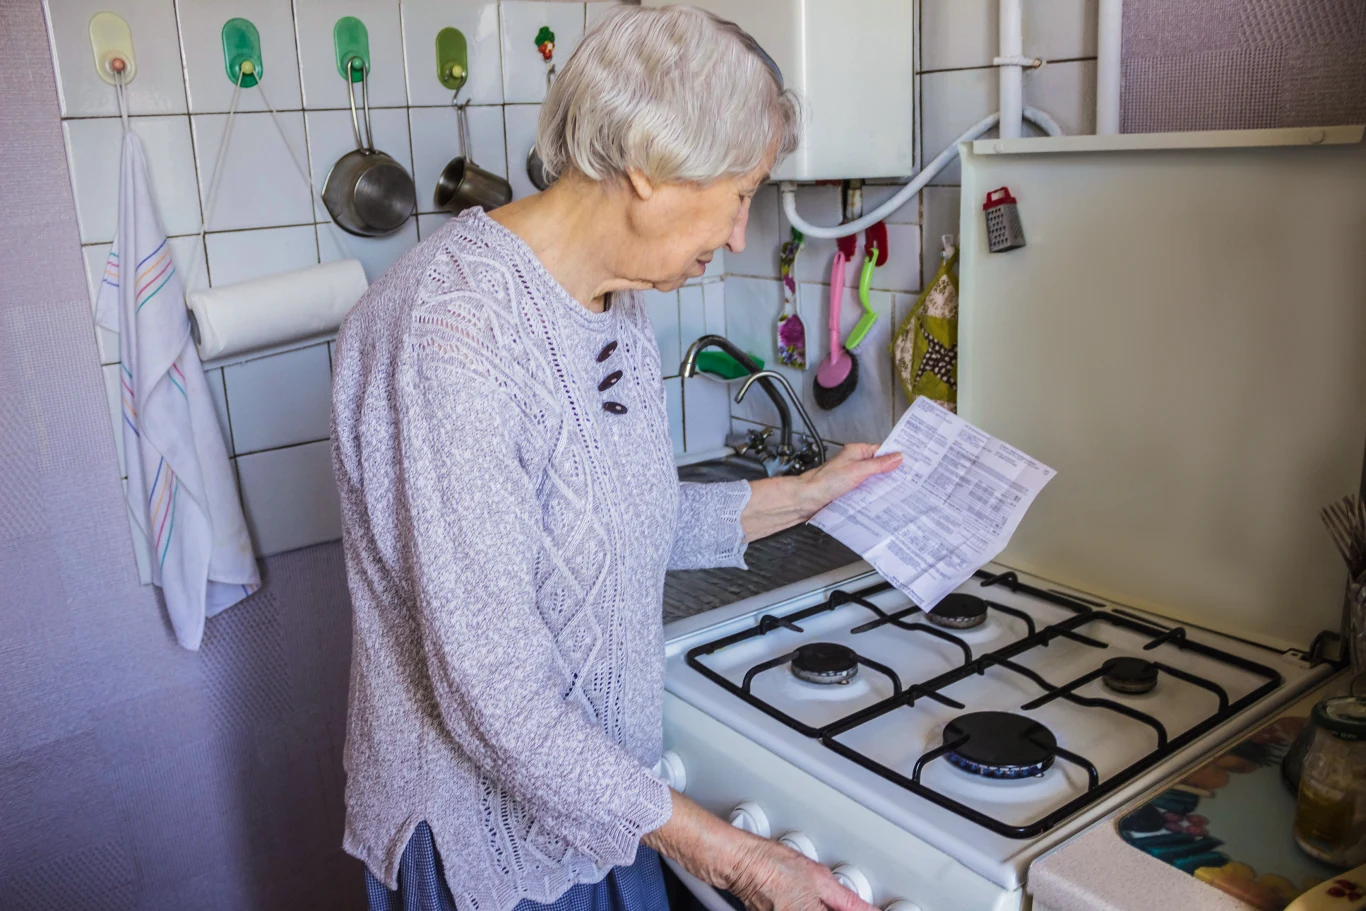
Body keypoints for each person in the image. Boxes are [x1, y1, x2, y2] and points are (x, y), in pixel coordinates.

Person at [330, 7, 901, 911]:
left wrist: (806, 494)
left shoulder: (614, 298)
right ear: (649, 164)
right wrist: (743, 859)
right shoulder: (453, 332)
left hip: (605, 803)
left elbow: (619, 513)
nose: (740, 235)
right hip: (489, 842)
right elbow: (498, 703)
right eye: (741, 192)